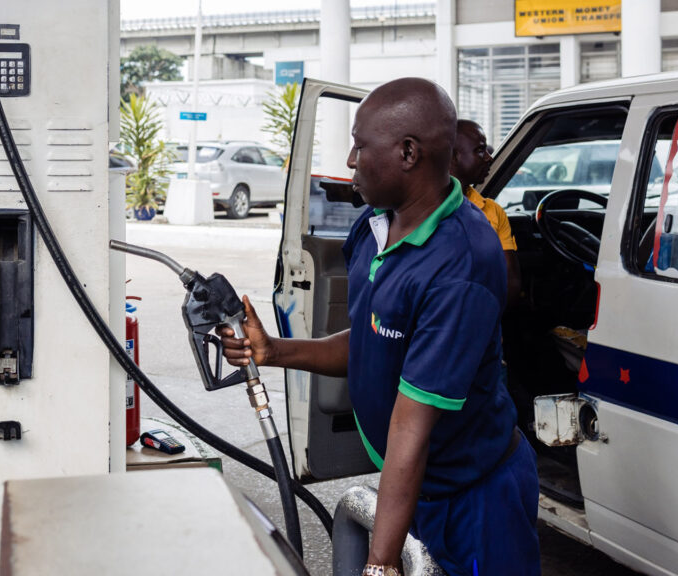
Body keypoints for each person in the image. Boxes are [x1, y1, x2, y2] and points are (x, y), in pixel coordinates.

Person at [220, 78, 540, 576]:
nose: (350, 160)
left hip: (476, 495)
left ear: (408, 153)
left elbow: (411, 426)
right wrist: (272, 351)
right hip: (415, 484)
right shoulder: (374, 224)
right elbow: (371, 340)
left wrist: (380, 563)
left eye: (360, 145)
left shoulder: (462, 265)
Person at [450, 119, 521, 305]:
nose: (489, 157)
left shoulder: (493, 210)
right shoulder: (420, 209)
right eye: (480, 150)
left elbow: (510, 280)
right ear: (452, 156)